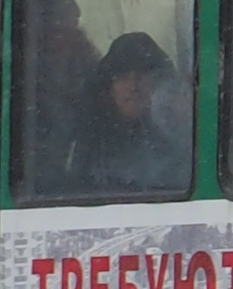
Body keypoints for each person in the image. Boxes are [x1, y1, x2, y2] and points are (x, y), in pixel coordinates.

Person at [78, 32, 188, 193]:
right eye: (123, 77)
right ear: (108, 87)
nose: (133, 87)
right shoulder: (91, 141)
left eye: (142, 77)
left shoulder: (177, 139)